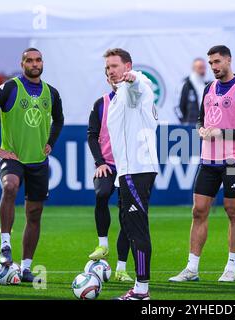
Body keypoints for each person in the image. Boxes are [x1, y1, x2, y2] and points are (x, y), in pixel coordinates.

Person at [0, 48, 64, 282]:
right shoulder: (10, 88)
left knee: (34, 214)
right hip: (13, 159)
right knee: (10, 186)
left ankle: (25, 268)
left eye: (38, 60)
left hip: (39, 163)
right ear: (22, 63)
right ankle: (5, 245)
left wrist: (51, 143)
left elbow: (59, 120)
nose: (34, 64)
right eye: (29, 60)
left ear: (42, 63)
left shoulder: (51, 93)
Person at [169, 45, 235, 283]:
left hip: (232, 160)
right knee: (198, 211)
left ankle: (230, 268)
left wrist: (221, 133)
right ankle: (192, 268)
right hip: (208, 160)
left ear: (229, 61)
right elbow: (201, 117)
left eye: (217, 62)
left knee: (232, 211)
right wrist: (200, 129)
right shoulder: (208, 88)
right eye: (211, 63)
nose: (214, 67)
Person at [104, 48, 158, 300]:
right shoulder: (118, 95)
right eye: (107, 67)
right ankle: (139, 288)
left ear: (127, 66)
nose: (111, 71)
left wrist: (132, 78)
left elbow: (139, 86)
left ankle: (141, 291)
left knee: (137, 229)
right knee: (129, 226)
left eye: (115, 65)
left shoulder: (137, 86)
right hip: (127, 172)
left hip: (138, 169)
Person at [86, 72, 133, 282]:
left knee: (127, 214)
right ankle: (103, 245)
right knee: (102, 193)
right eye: (110, 75)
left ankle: (121, 268)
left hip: (129, 166)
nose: (115, 78)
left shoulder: (134, 101)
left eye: (118, 74)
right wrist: (100, 162)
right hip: (107, 164)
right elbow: (92, 135)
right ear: (107, 80)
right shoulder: (100, 104)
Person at [178, 58, 208, 125]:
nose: (203, 71)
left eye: (204, 68)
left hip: (205, 126)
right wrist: (184, 122)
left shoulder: (207, 85)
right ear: (194, 69)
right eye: (200, 68)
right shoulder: (186, 85)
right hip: (190, 125)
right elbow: (178, 106)